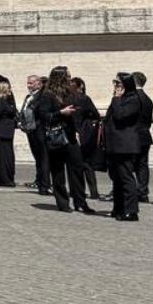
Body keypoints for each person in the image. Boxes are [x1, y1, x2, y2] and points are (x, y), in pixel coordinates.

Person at [36, 66, 94, 214]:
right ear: (60, 78)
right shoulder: (47, 95)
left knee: (77, 170)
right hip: (56, 137)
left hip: (71, 136)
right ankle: (62, 202)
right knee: (58, 171)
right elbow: (43, 116)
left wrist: (78, 129)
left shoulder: (70, 93)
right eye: (67, 76)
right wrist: (60, 113)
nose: (70, 79)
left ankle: (80, 202)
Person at [104, 73, 141, 221]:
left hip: (125, 146)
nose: (116, 88)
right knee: (117, 179)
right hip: (115, 145)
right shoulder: (120, 99)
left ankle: (131, 211)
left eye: (119, 84)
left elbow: (120, 116)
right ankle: (118, 208)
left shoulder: (133, 100)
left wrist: (117, 98)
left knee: (126, 178)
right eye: (115, 84)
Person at [70, 76, 103, 200]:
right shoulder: (84, 98)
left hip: (70, 133)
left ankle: (76, 191)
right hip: (84, 134)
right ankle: (94, 192)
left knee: (74, 165)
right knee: (87, 165)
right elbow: (95, 114)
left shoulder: (66, 99)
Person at [19, 74, 50, 194]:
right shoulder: (29, 96)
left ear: (38, 83)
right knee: (37, 157)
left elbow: (39, 112)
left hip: (39, 130)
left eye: (31, 83)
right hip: (30, 130)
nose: (28, 85)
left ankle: (45, 184)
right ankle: (38, 180)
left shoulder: (42, 96)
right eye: (28, 83)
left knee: (43, 158)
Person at [132, 71, 153, 202]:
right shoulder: (148, 100)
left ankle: (129, 191)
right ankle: (143, 191)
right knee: (142, 165)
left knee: (127, 165)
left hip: (132, 135)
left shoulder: (133, 98)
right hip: (145, 134)